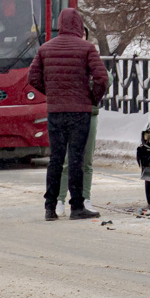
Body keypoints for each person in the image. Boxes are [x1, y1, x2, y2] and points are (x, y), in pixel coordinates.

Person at [28, 7, 108, 221]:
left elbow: (32, 78)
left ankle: (49, 208)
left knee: (55, 159)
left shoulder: (46, 48)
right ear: (79, 26)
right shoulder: (86, 48)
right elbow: (102, 78)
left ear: (60, 25)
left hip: (55, 112)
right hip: (79, 112)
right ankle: (77, 207)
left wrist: (52, 93)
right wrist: (92, 98)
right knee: (76, 159)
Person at [55, 24, 99, 217]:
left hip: (90, 114)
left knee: (86, 160)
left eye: (84, 36)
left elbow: (106, 78)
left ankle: (85, 198)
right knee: (66, 160)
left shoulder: (91, 54)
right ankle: (60, 199)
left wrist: (92, 97)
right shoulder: (68, 57)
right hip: (71, 112)